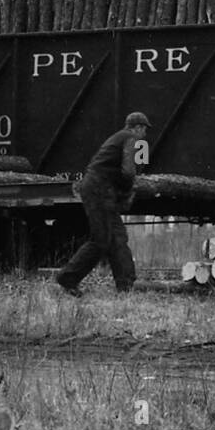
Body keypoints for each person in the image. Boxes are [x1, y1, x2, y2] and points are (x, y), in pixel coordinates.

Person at [55, 112, 151, 296]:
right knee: (102, 239)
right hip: (99, 190)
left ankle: (125, 287)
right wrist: (128, 190)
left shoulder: (118, 137)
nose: (144, 134)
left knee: (117, 237)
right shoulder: (130, 138)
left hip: (98, 189)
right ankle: (68, 278)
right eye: (144, 129)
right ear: (137, 127)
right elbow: (129, 171)